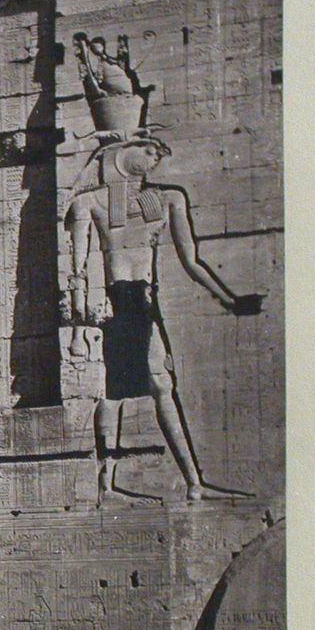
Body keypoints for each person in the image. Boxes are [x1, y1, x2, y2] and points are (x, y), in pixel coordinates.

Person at [65, 135, 263, 505]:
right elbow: (76, 272)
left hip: (143, 301)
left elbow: (192, 262)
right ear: (123, 153)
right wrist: (78, 329)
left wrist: (230, 300)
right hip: (118, 301)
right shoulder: (88, 203)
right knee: (125, 390)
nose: (155, 159)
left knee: (153, 386)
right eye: (150, 151)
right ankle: (114, 485)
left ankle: (188, 482)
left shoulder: (169, 198)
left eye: (158, 154)